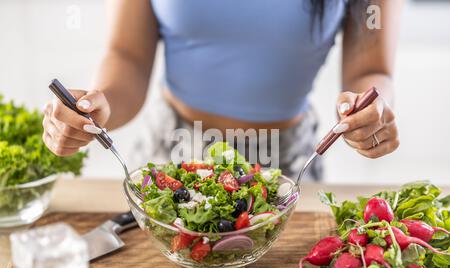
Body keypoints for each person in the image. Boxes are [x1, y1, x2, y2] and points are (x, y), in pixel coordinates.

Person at [42, 0, 401, 180]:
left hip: (286, 163)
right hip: (171, 150)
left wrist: (368, 113)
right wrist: (97, 104)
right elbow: (127, 55)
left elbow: (370, 70)